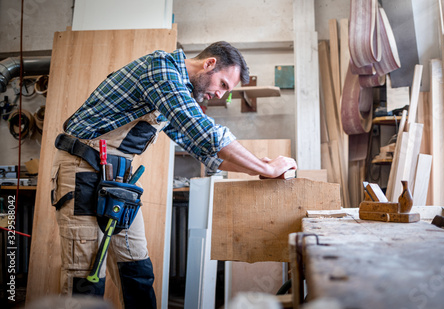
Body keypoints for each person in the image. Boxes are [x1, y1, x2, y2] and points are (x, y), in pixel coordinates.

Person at [51, 41, 297, 308]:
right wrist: (267, 169)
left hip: (117, 178)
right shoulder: (160, 70)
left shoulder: (176, 90)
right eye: (223, 85)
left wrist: (258, 167)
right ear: (210, 64)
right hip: (82, 168)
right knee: (86, 275)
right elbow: (200, 129)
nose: (221, 95)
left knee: (137, 270)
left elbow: (205, 151)